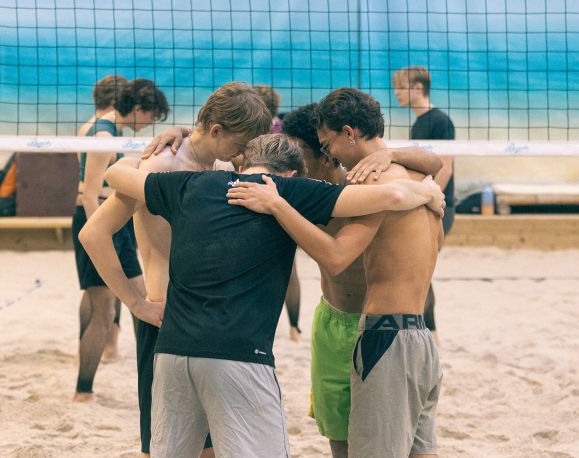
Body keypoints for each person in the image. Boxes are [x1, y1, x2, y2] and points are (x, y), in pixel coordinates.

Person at [100, 133, 443, 458]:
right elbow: (394, 197)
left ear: (240, 163)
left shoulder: (188, 182)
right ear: (291, 172)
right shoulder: (288, 190)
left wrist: (140, 154)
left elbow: (115, 175)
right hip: (239, 353)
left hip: (171, 348)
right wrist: (427, 191)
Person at [232, 88, 443, 457]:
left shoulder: (369, 184)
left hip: (384, 333)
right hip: (419, 335)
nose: (329, 154)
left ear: (349, 133)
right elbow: (436, 162)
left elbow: (335, 257)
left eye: (328, 144)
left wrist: (277, 205)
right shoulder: (417, 180)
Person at [78, 81, 271, 458]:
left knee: (213, 446)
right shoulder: (160, 165)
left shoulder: (220, 162)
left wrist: (181, 129)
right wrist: (134, 302)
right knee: (163, 447)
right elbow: (93, 234)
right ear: (217, 130)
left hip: (214, 321)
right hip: (166, 319)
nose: (243, 154)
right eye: (240, 143)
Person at [72, 75, 168, 403]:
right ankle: (84, 390)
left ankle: (99, 377)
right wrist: (101, 240)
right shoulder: (103, 133)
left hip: (109, 223)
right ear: (139, 108)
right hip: (101, 222)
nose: (153, 122)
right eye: (152, 115)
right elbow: (88, 194)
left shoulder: (103, 128)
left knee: (109, 300)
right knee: (115, 305)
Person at [392, 66, 456, 345]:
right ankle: (428, 332)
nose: (396, 93)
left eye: (400, 87)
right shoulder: (419, 123)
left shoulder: (441, 121)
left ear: (418, 88)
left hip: (439, 205)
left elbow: (447, 167)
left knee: (420, 270)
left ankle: (432, 334)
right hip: (423, 202)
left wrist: (428, 199)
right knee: (416, 269)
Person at [252, 84, 301, 341]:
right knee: (290, 267)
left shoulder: (252, 134)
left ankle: (260, 323)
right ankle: (294, 329)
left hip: (257, 199)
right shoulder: (285, 129)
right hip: (284, 198)